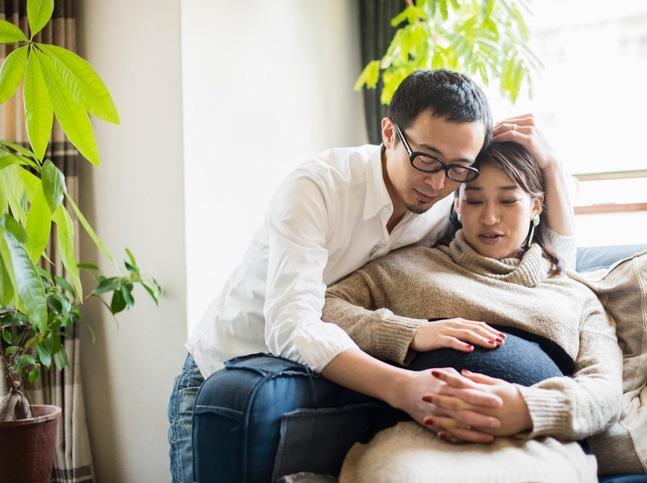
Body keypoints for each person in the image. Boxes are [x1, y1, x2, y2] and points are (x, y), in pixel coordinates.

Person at [168, 69, 575, 482]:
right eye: (427, 159)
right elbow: (291, 325)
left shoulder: (445, 200)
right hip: (228, 371)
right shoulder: (318, 188)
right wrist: (405, 380)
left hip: (335, 377)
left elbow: (551, 262)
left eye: (458, 168)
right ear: (388, 132)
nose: (436, 183)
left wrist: (552, 165)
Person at [321, 141, 622, 479]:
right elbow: (324, 308)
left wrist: (528, 409)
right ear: (457, 206)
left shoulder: (575, 295)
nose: (489, 217)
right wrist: (410, 332)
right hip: (418, 440)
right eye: (474, 200)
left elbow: (606, 393)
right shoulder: (408, 267)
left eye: (508, 201)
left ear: (537, 205)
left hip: (538, 443)